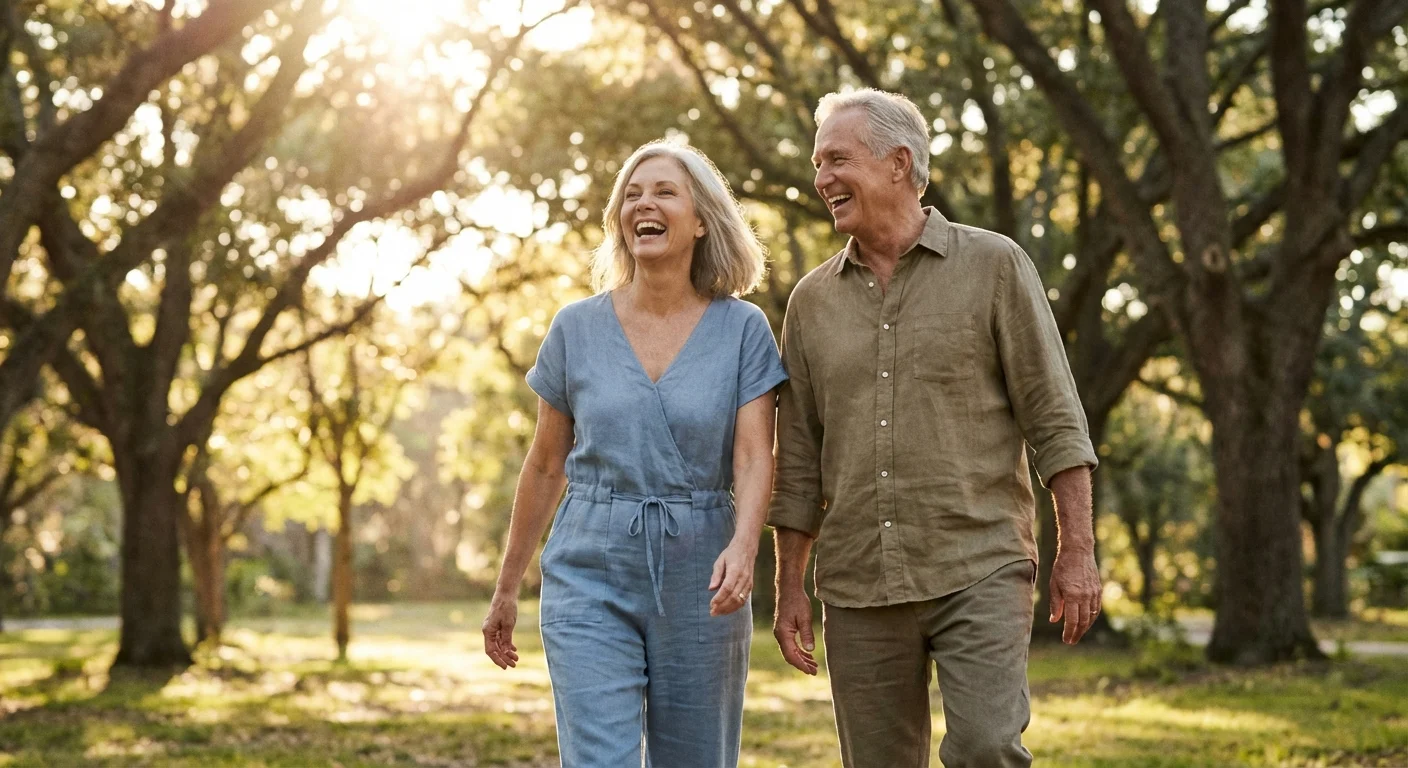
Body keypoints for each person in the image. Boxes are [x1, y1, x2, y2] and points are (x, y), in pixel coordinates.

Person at [768, 88, 1102, 768]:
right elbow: (798, 456)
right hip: (859, 580)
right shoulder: (810, 303)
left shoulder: (995, 266)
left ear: (898, 163)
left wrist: (1077, 551)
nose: (821, 179)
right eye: (817, 163)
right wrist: (789, 587)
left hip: (977, 563)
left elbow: (1054, 417)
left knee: (985, 746)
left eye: (837, 160)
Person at [481, 140, 787, 767]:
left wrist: (745, 547)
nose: (642, 204)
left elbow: (756, 458)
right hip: (589, 565)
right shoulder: (575, 328)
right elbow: (544, 464)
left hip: (704, 570)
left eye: (664, 192)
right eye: (632, 194)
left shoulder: (742, 330)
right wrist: (508, 585)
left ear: (702, 220)